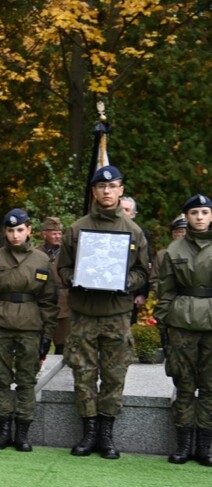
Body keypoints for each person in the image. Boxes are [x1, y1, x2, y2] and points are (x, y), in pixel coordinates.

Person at [57, 166, 150, 459]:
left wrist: (124, 281)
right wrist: (76, 277)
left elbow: (142, 272)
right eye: (101, 187)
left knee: (114, 374)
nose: (107, 191)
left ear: (121, 190)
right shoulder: (76, 229)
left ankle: (106, 433)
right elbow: (62, 268)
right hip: (84, 313)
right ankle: (89, 432)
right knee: (83, 372)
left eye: (112, 186)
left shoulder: (134, 232)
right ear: (94, 191)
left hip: (116, 314)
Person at [0, 208, 58, 452]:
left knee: (27, 380)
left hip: (30, 327)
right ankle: (3, 431)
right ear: (5, 232)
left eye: (19, 230)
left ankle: (22, 433)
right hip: (0, 325)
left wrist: (47, 335)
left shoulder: (42, 260)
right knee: (1, 379)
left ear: (29, 230)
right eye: (10, 230)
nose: (15, 235)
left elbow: (49, 301)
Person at [154, 194, 212, 466]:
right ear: (186, 217)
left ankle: (205, 446)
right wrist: (162, 323)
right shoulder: (174, 250)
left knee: (210, 387)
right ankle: (184, 444)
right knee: (184, 384)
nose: (199, 217)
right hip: (181, 324)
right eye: (194, 213)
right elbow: (165, 290)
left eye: (204, 212)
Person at [120, 196, 154, 323]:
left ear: (133, 214)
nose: (123, 212)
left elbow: (146, 264)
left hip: (131, 289)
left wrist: (142, 293)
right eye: (120, 209)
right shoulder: (106, 229)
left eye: (127, 209)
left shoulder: (141, 233)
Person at [38, 216, 69, 355]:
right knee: (40, 339)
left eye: (59, 233)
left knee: (63, 342)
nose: (58, 236)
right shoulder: (36, 253)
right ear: (45, 234)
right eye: (54, 233)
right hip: (42, 300)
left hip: (64, 303)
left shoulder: (67, 252)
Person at [150, 214, 188, 297]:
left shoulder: (199, 253)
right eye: (181, 231)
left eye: (188, 231)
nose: (184, 234)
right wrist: (164, 294)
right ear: (174, 234)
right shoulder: (162, 255)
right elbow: (154, 280)